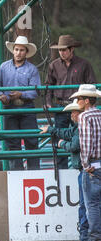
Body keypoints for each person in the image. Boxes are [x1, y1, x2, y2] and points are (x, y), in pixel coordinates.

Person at [45, 35, 97, 169]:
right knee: (62, 134)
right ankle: (61, 169)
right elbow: (48, 86)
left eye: (64, 50)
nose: (61, 53)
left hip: (79, 108)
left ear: (72, 49)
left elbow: (92, 84)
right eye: (60, 50)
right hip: (61, 106)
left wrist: (89, 103)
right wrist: (48, 102)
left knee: (81, 138)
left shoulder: (84, 64)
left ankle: (82, 166)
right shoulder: (54, 65)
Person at [40, 99, 88, 241]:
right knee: (87, 204)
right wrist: (52, 130)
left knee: (86, 205)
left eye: (74, 111)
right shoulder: (78, 127)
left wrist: (61, 144)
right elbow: (67, 133)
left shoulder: (81, 127)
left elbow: (74, 145)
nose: (71, 114)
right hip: (86, 169)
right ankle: (87, 236)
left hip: (86, 170)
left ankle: (85, 237)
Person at [0, 36, 41, 170]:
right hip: (9, 108)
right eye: (16, 49)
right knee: (12, 142)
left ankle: (34, 172)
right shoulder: (3, 67)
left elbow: (36, 91)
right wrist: (1, 95)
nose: (18, 53)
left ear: (26, 52)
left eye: (21, 50)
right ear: (13, 51)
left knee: (31, 141)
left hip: (27, 108)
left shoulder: (32, 69)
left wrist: (22, 94)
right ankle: (17, 174)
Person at [70, 84, 101, 241]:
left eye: (79, 99)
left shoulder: (85, 117)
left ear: (87, 100)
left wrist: (85, 164)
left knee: (93, 205)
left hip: (94, 166)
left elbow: (86, 143)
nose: (77, 101)